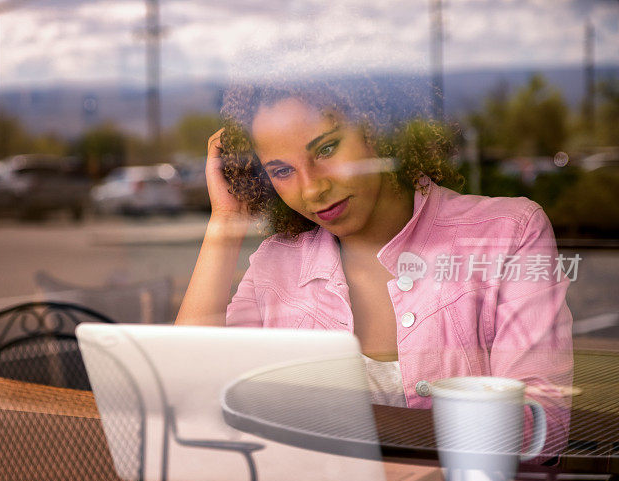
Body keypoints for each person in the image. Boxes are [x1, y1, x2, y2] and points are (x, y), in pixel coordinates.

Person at [175, 81, 572, 451]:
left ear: (379, 130)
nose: (312, 188)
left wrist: (347, 428)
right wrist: (225, 222)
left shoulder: (508, 233)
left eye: (327, 149)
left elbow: (542, 426)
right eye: (282, 170)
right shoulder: (275, 264)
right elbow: (191, 402)